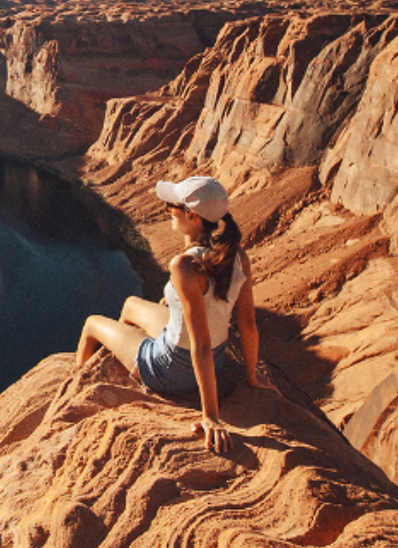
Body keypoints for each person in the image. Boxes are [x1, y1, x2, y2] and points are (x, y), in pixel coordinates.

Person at [76, 175, 269, 453]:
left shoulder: (184, 265)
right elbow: (248, 324)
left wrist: (211, 417)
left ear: (192, 216)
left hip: (170, 369)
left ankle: (79, 384)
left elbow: (200, 344)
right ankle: (126, 353)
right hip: (215, 359)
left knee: (91, 324)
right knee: (131, 303)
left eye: (171, 208)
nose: (166, 212)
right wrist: (252, 377)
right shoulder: (238, 256)